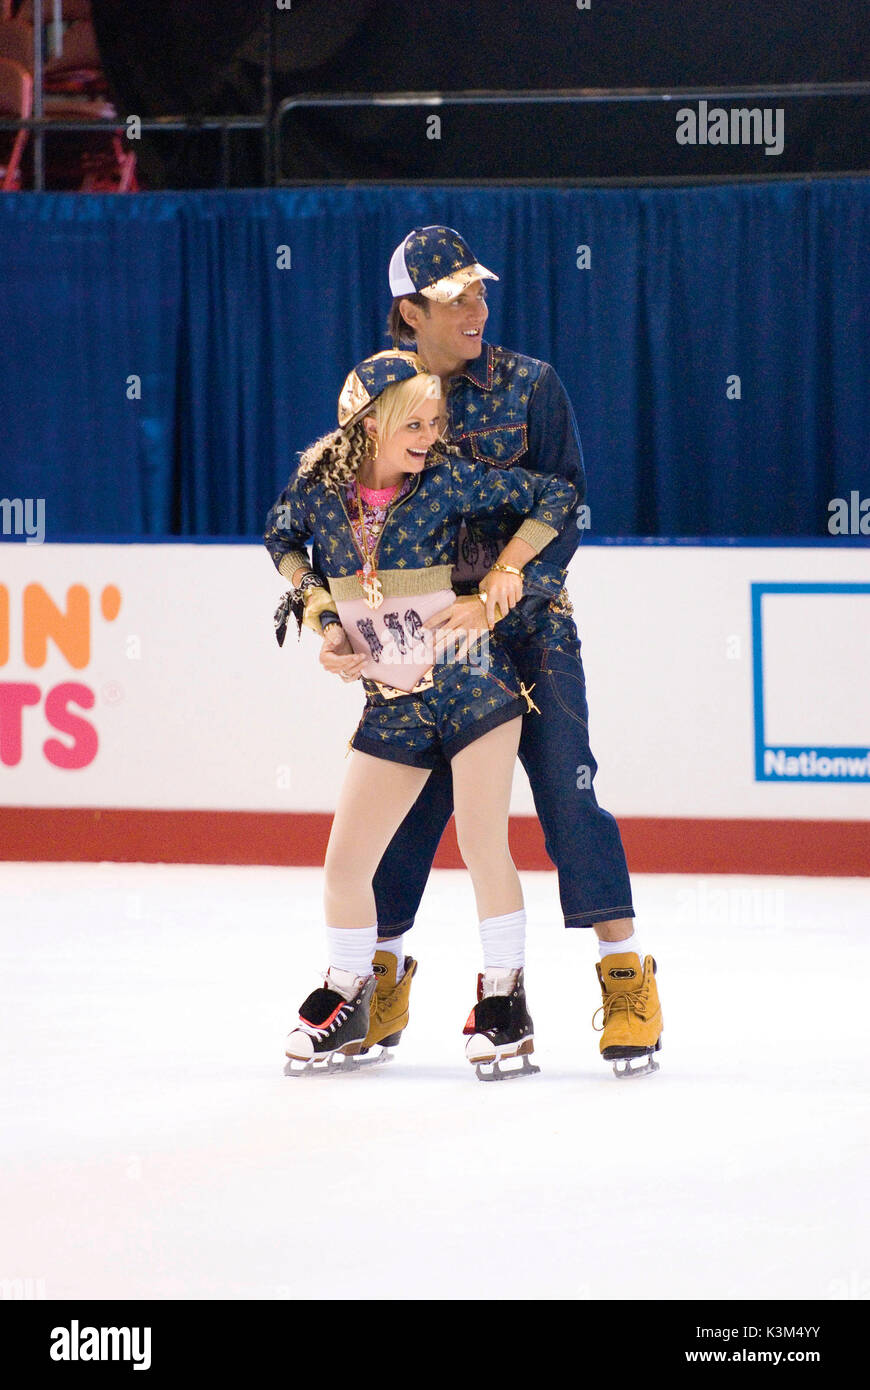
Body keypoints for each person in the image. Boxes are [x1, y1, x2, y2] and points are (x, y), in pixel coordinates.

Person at [321, 227, 663, 1078]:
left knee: (568, 798)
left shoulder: (531, 385)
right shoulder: (381, 390)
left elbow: (568, 505)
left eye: (479, 292)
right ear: (410, 312)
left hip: (530, 629)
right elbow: (345, 505)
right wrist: (339, 618)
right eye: (455, 298)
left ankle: (625, 976)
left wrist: (505, 581)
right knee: (406, 818)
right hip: (429, 641)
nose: (477, 309)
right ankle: (376, 979)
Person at [263, 349, 577, 1077]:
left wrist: (503, 576)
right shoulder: (316, 491)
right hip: (391, 705)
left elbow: (554, 498)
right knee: (346, 864)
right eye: (416, 422)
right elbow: (279, 539)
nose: (430, 435)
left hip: (473, 686)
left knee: (481, 841)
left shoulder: (443, 482)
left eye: (438, 421)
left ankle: (504, 1000)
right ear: (368, 423)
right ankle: (348, 995)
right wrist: (319, 615)